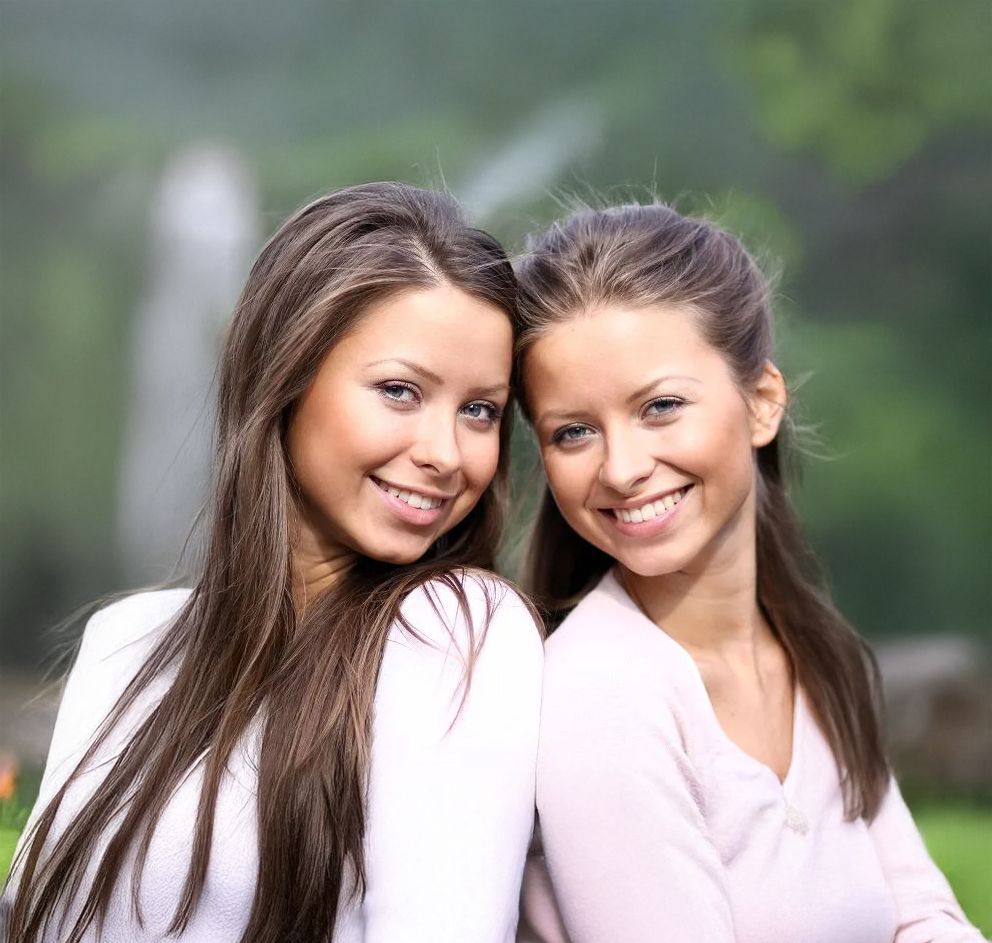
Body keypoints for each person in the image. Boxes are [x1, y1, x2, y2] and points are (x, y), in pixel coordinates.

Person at [4, 182, 543, 943]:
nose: (445, 453)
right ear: (282, 374)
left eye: (479, 410)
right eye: (400, 391)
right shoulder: (123, 642)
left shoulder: (455, 634)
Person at [513, 202, 983, 943]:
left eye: (660, 407)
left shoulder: (817, 656)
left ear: (761, 402)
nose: (623, 468)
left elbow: (924, 915)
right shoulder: (600, 695)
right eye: (573, 432)